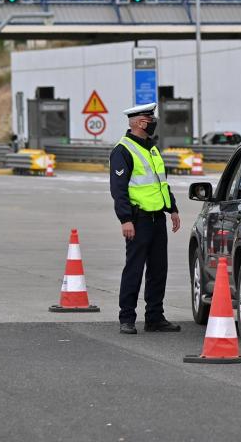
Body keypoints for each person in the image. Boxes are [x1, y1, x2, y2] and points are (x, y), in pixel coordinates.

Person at [109, 103, 181, 335]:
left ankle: (154, 318)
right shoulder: (123, 150)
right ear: (140, 122)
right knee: (134, 269)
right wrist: (125, 219)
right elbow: (118, 190)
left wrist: (172, 209)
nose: (153, 122)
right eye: (151, 119)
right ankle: (127, 318)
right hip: (138, 220)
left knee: (158, 269)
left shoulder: (151, 148)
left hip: (157, 218)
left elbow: (161, 182)